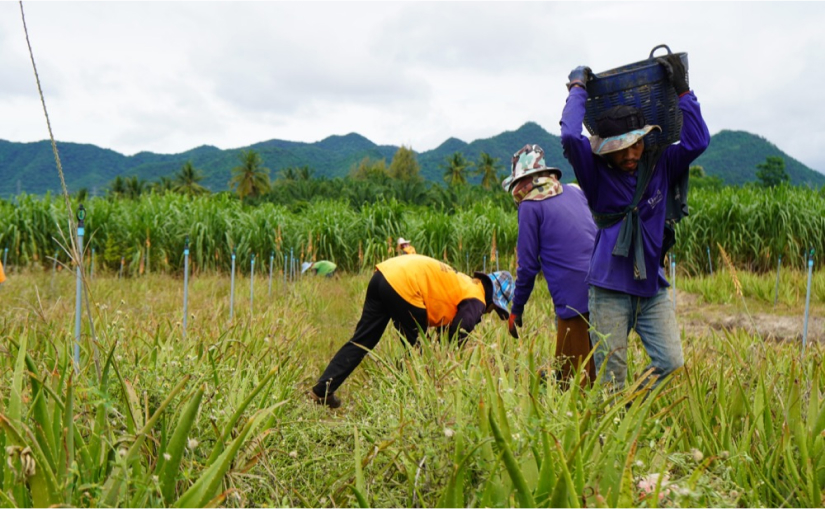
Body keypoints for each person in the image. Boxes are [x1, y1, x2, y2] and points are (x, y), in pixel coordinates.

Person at [559, 54, 710, 392]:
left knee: (671, 361)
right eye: (621, 148)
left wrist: (683, 90)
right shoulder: (594, 173)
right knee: (611, 378)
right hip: (609, 289)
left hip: (651, 287)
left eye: (637, 144)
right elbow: (570, 137)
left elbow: (698, 141)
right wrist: (578, 87)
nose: (630, 154)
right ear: (605, 150)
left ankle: (632, 407)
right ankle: (615, 419)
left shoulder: (660, 164)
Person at [311, 253, 513, 408]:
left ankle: (322, 390)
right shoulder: (477, 298)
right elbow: (460, 330)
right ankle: (406, 404)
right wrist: (451, 363)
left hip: (384, 275)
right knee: (416, 355)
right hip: (406, 286)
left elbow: (448, 327)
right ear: (493, 299)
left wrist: (443, 346)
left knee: (362, 341)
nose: (489, 313)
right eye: (494, 309)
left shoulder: (464, 283)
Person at [503, 144, 596, 387]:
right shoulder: (574, 191)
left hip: (573, 297)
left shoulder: (529, 206)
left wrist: (516, 309)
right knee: (594, 368)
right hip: (604, 282)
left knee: (572, 381)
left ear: (520, 182)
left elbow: (527, 267)